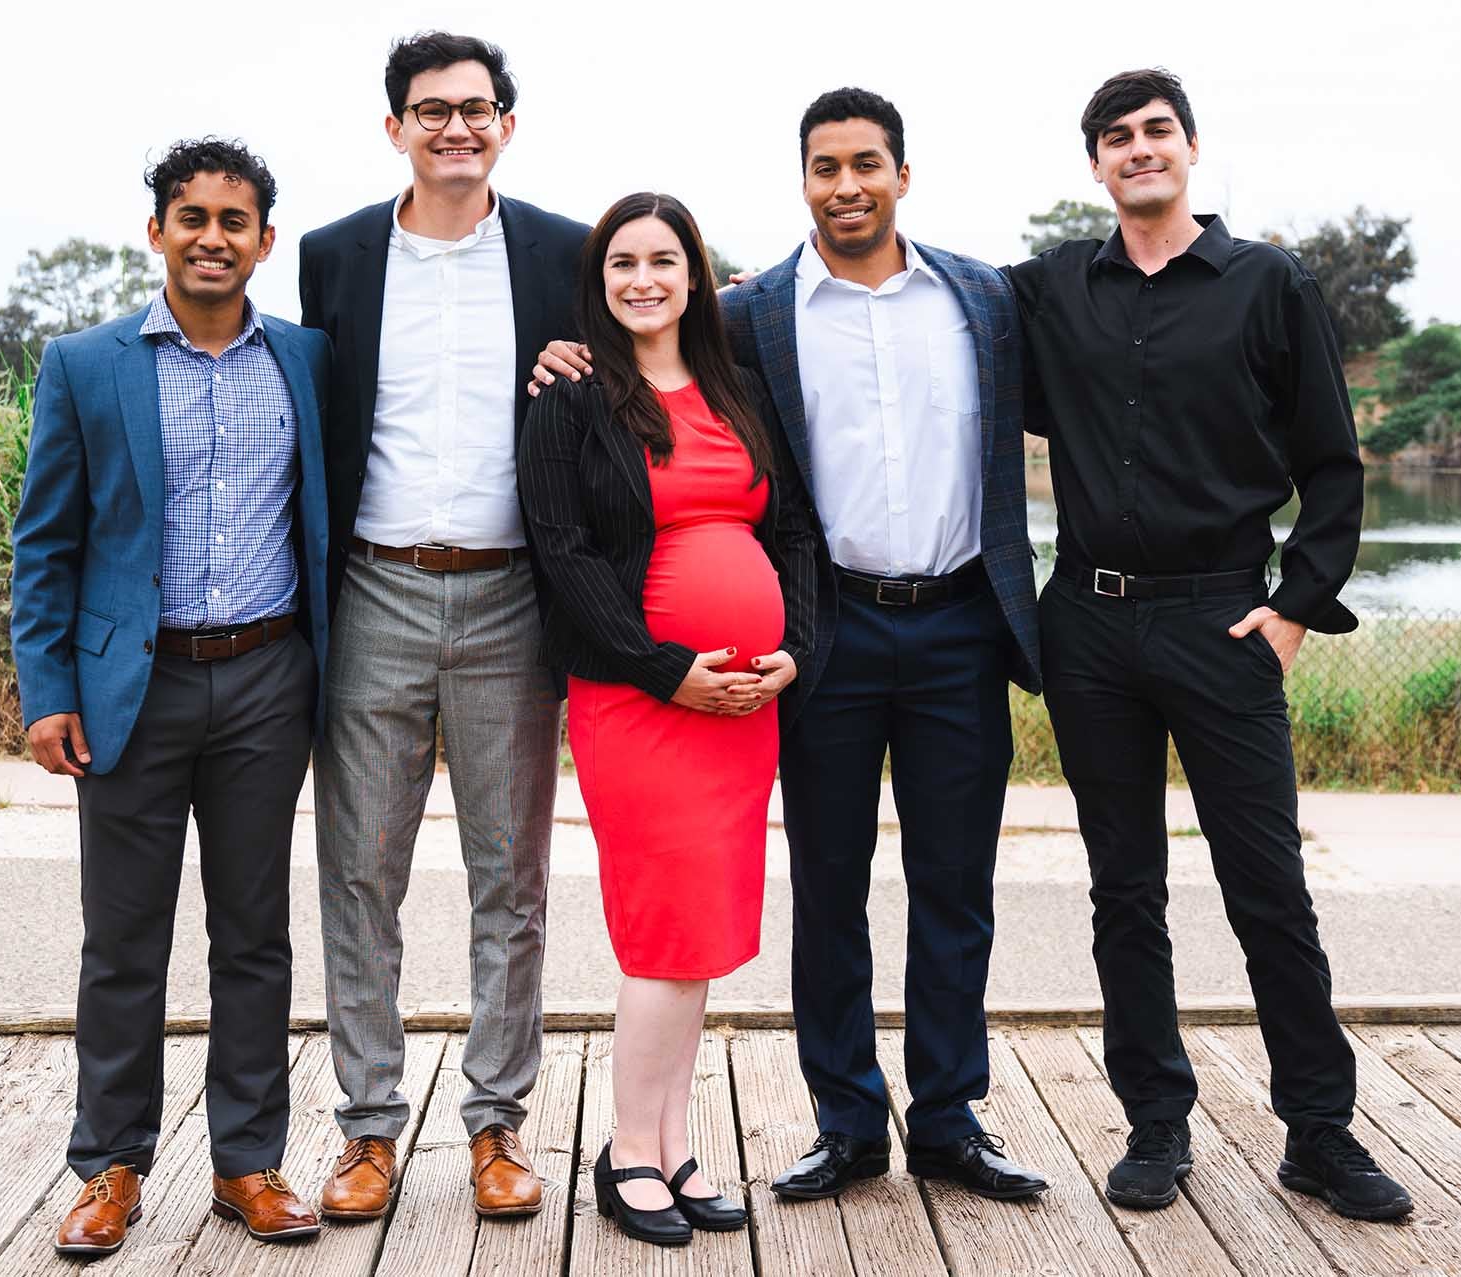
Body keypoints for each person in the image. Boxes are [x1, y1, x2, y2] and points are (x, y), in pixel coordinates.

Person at [533, 88, 1047, 1204]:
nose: (846, 184)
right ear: (802, 180)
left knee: (955, 881)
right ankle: (849, 1121)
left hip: (961, 616)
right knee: (828, 879)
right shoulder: (753, 315)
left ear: (903, 173)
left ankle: (952, 1120)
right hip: (835, 633)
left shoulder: (983, 297)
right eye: (825, 166)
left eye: (867, 163)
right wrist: (561, 358)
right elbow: (648, 383)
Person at [1005, 68, 1414, 1221]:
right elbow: (911, 298)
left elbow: (1333, 466)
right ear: (1093, 164)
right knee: (1123, 888)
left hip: (1221, 617)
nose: (1139, 150)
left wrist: (1295, 605)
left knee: (1268, 886)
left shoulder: (1268, 283)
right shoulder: (1049, 289)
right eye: (1117, 138)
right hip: (1086, 621)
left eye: (1157, 132)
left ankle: (1320, 1134)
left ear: (1189, 148)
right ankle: (1155, 1123)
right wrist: (742, 298)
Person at [12, 137, 333, 1257]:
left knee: (256, 934)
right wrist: (48, 687)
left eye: (233, 220)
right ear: (157, 231)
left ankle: (249, 1161)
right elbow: (44, 542)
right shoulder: (86, 363)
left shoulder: (306, 360)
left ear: (263, 241)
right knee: (124, 938)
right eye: (190, 216)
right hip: (127, 690)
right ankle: (110, 1163)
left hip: (265, 678)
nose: (211, 236)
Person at [293, 31, 589, 1222]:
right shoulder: (335, 255)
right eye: (432, 110)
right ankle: (369, 1127)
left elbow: (633, 390)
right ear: (395, 128)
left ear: (506, 125)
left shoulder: (566, 253)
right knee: (359, 869)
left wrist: (590, 374)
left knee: (509, 877)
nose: (455, 127)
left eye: (476, 109)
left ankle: (496, 1122)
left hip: (517, 593)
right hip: (373, 588)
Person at [520, 192, 817, 1247]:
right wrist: (663, 668)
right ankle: (626, 1154)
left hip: (743, 707)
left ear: (695, 274)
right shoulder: (571, 398)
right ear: (599, 283)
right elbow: (564, 554)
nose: (643, 279)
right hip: (640, 703)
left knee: (697, 936)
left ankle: (673, 1138)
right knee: (658, 933)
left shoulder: (737, 392)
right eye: (621, 264)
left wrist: (797, 649)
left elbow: (791, 535)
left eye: (663, 260)